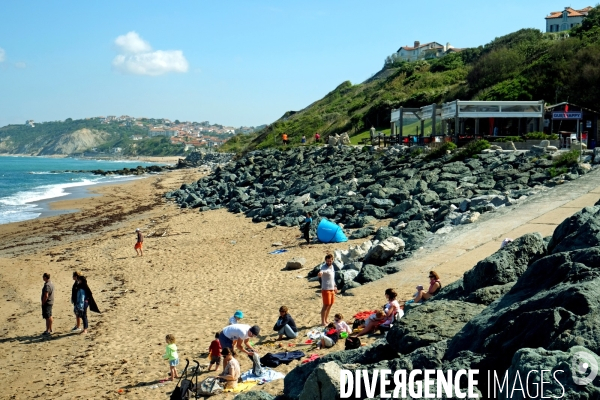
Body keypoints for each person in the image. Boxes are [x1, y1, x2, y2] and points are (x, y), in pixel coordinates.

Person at [318, 254, 337, 326]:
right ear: (325, 260)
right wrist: (320, 274)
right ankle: (323, 322)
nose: (329, 262)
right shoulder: (323, 267)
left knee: (330, 304)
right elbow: (321, 272)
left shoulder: (332, 267)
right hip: (326, 289)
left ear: (332, 260)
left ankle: (326, 319)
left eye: (330, 261)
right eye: (328, 261)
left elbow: (333, 278)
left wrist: (335, 286)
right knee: (326, 305)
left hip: (332, 288)